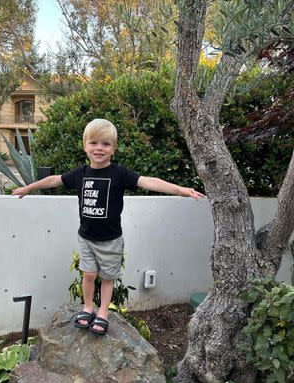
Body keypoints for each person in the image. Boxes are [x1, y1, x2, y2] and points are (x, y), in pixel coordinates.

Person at [12, 118, 204, 335]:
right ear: (85, 145)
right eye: (93, 143)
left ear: (113, 148)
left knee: (107, 279)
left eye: (105, 144)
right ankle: (88, 307)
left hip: (111, 241)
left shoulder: (119, 174)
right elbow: (54, 180)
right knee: (88, 275)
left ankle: (102, 312)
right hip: (86, 238)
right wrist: (28, 188)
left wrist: (181, 190)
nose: (99, 148)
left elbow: (149, 181)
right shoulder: (80, 174)